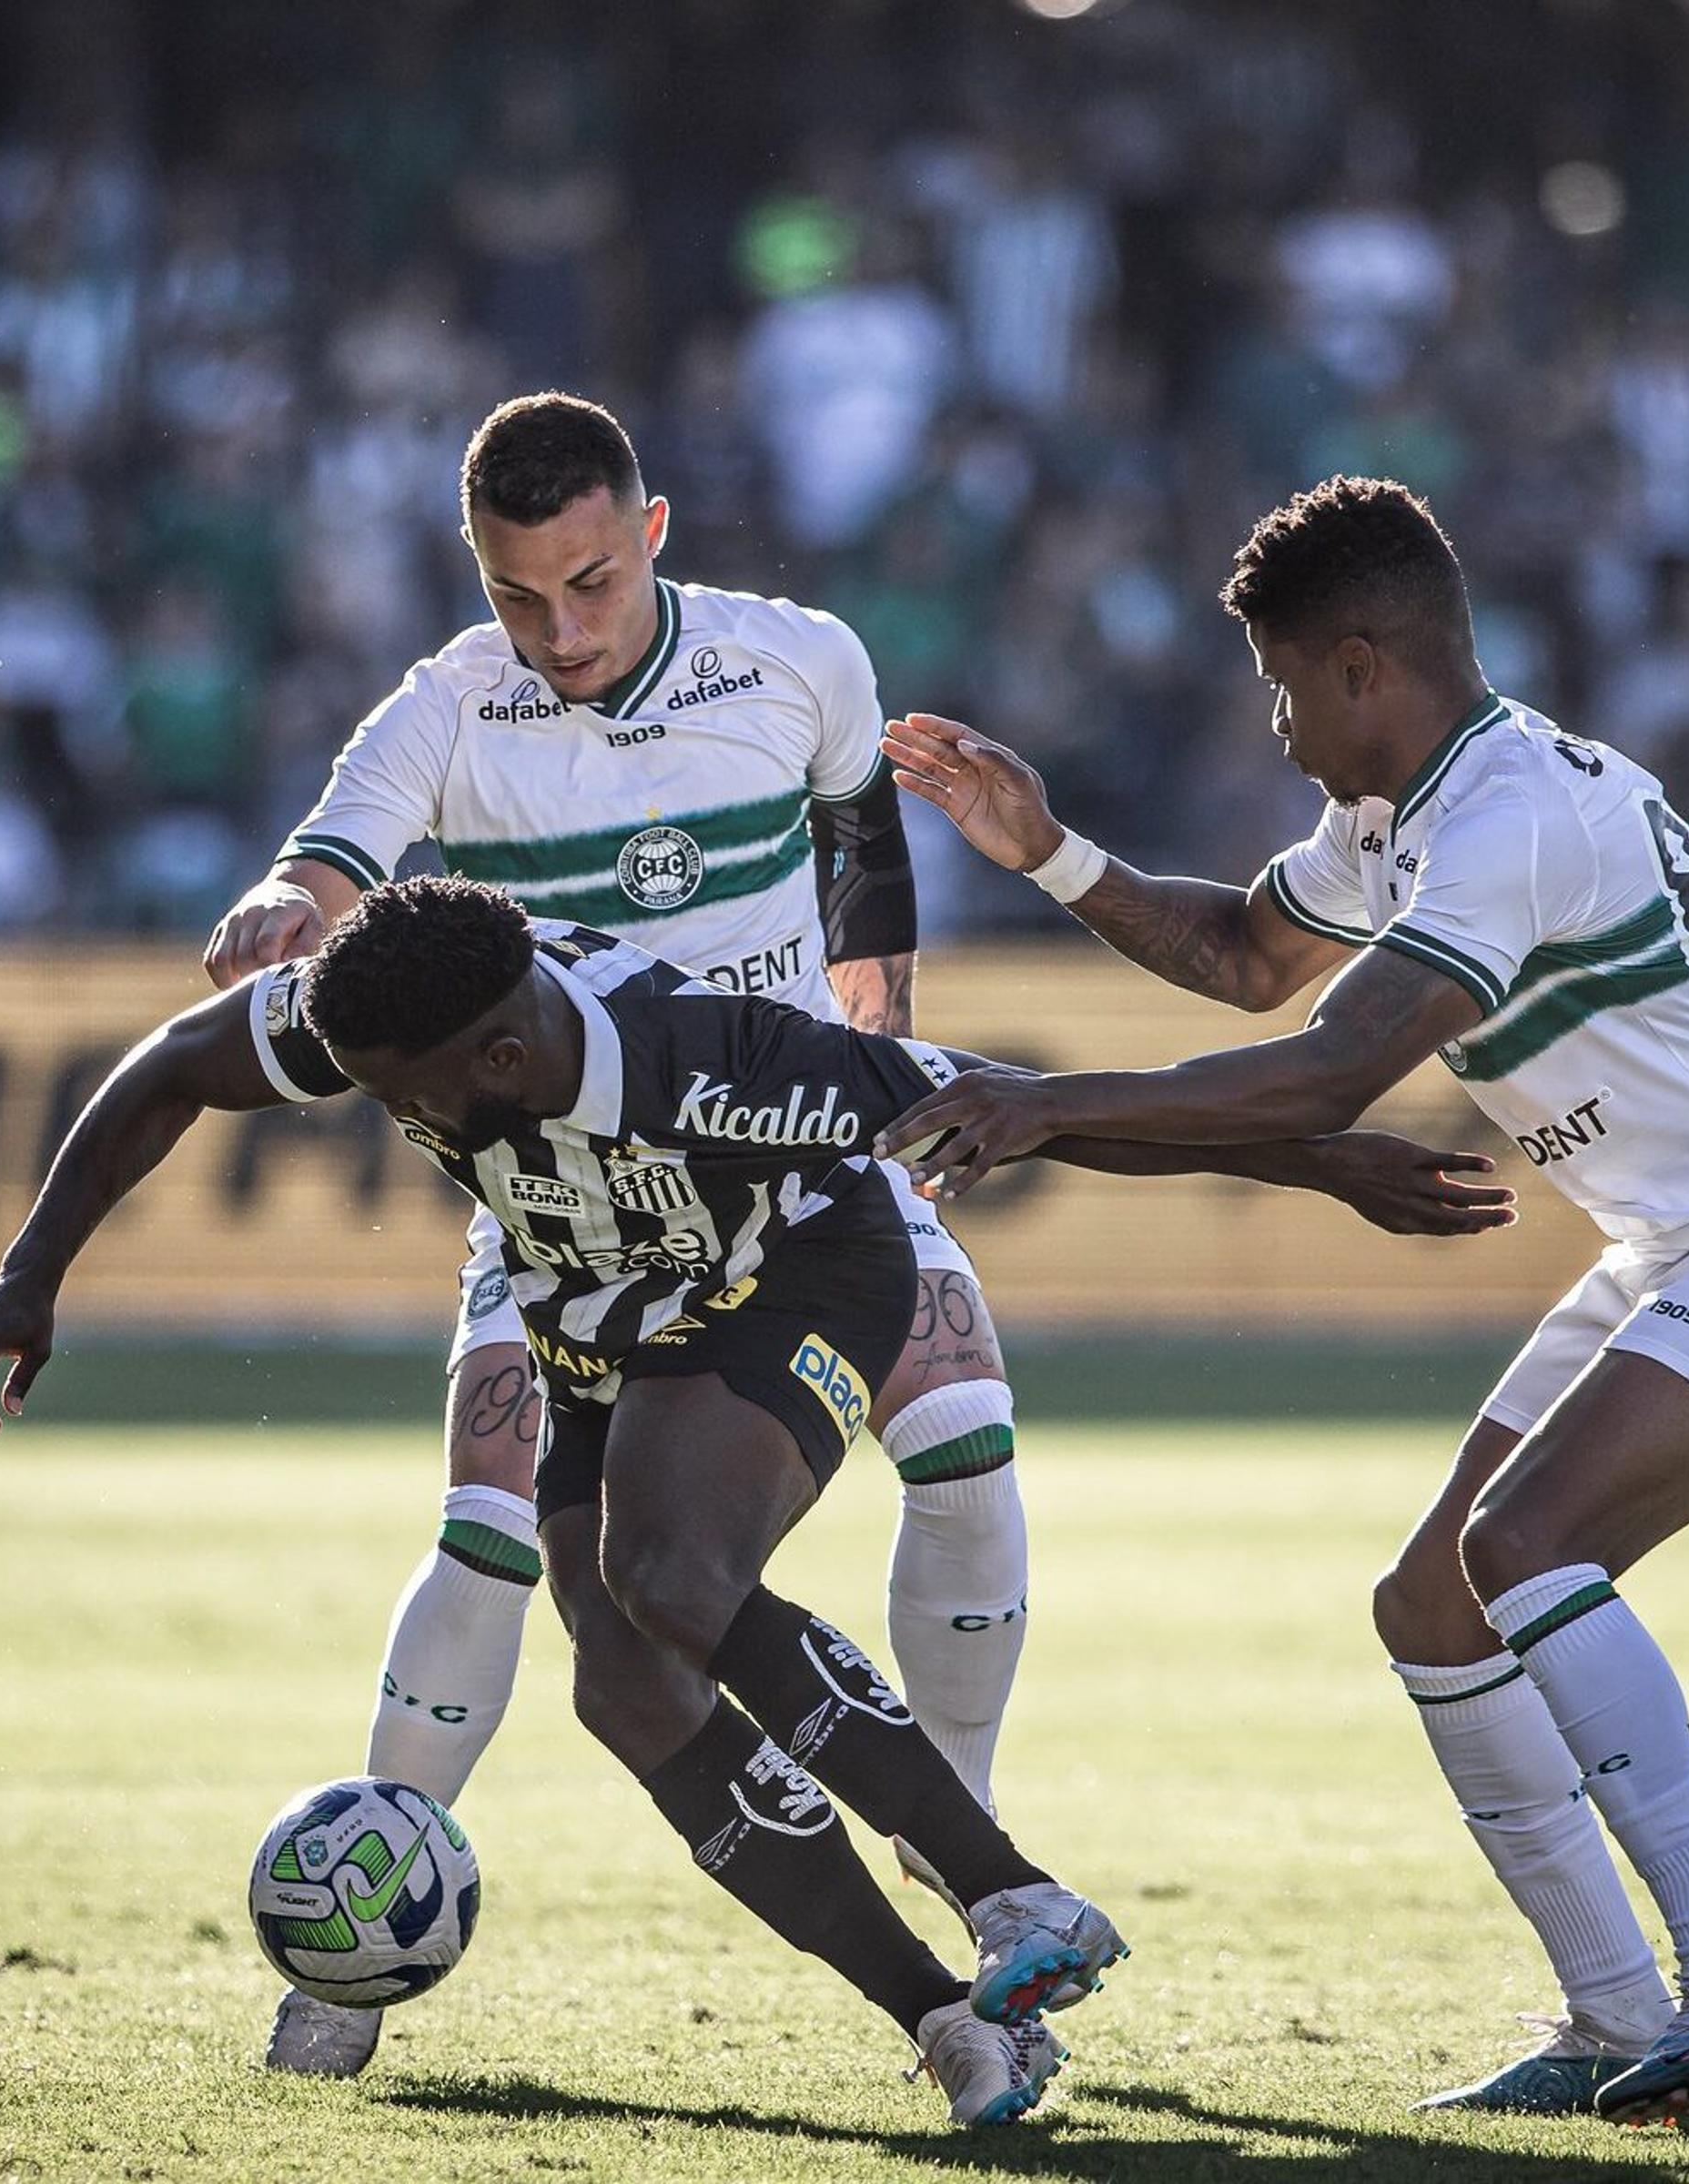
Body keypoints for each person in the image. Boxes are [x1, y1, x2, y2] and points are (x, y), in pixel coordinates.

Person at [0, 877, 1514, 2126]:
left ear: (500, 1057)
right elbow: (172, 1064)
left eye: (393, 1094)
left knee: (675, 1581)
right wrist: (27, 1277)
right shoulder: (391, 1003)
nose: (368, 1106)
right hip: (592, 1312)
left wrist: (1320, 1162)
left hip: (806, 1270)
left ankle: (1014, 1893)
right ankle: (952, 2026)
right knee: (627, 1686)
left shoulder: (711, 1059)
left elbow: (1010, 1107)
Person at [872, 477, 1689, 2126]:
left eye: (1284, 683)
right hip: (1683, 1235)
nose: (1280, 724)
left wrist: (1051, 1105)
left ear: (1364, 664)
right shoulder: (1394, 821)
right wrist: (1054, 853)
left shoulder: (1512, 820)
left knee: (1526, 1555)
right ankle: (1609, 2018)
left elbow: (1321, 1071)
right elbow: (1244, 955)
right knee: (1435, 1605)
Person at [202, 392, 1049, 2077]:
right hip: (568, 1193)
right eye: (523, 598)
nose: (562, 631)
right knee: (491, 1538)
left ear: (652, 533)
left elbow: (856, 836)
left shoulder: (801, 661)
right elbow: (334, 855)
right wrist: (288, 909)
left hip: (791, 1151)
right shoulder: (451, 704)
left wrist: (879, 1000)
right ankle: (344, 1971)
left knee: (965, 1446)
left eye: (591, 583)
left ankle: (962, 1850)